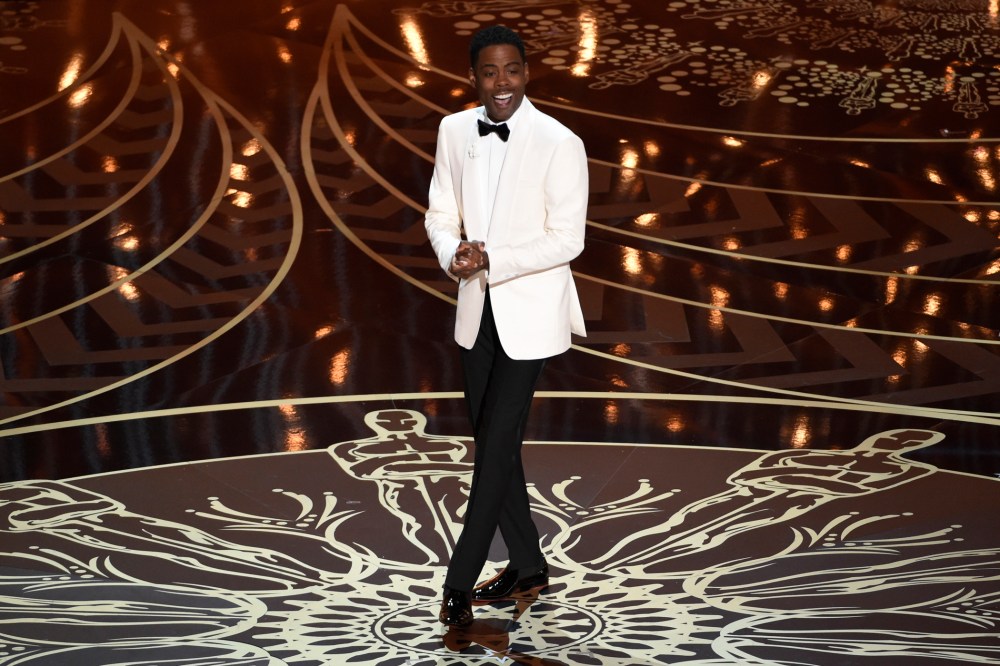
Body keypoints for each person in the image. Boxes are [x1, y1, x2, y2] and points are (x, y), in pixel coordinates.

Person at [423, 25, 589, 627]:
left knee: (493, 451)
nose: (502, 83)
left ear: (527, 73)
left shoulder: (559, 141)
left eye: (512, 71)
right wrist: (455, 254)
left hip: (531, 315)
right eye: (490, 72)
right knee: (499, 448)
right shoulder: (453, 130)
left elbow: (568, 239)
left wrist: (494, 257)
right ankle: (528, 564)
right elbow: (441, 210)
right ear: (474, 75)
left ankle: (459, 580)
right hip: (477, 312)